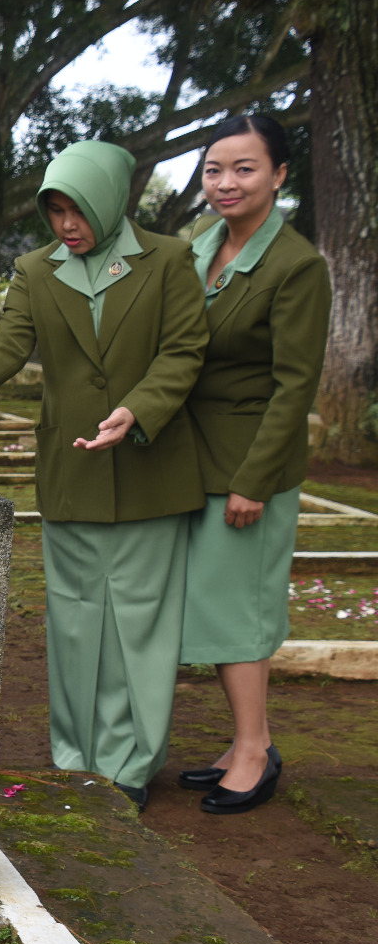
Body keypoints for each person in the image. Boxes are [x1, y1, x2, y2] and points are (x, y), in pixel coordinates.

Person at [0, 141, 207, 810]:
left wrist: (136, 409)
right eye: (54, 211)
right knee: (75, 623)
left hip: (149, 467)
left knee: (139, 623)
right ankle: (78, 760)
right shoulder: (35, 270)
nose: (66, 224)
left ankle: (130, 763)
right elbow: (3, 346)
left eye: (77, 210)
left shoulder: (169, 260)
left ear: (110, 201)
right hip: (73, 469)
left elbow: (185, 347)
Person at [177, 114, 330, 814]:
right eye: (214, 170)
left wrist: (254, 480)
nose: (227, 182)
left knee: (243, 611)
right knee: (214, 607)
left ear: (278, 175)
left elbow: (294, 384)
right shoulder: (196, 250)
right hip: (193, 457)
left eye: (244, 168)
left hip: (249, 465)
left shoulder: (296, 265)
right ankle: (245, 740)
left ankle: (254, 750)